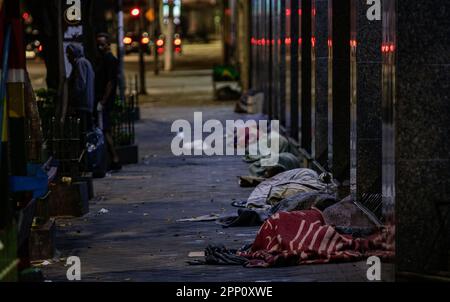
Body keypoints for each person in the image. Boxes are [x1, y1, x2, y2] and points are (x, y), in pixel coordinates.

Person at [95, 32, 121, 171]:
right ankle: (112, 158)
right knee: (104, 130)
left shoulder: (110, 60)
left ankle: (115, 158)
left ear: (108, 44)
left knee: (105, 130)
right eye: (98, 44)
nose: (100, 47)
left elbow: (110, 82)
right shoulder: (104, 59)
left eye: (103, 44)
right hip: (103, 99)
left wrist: (104, 100)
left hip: (105, 100)